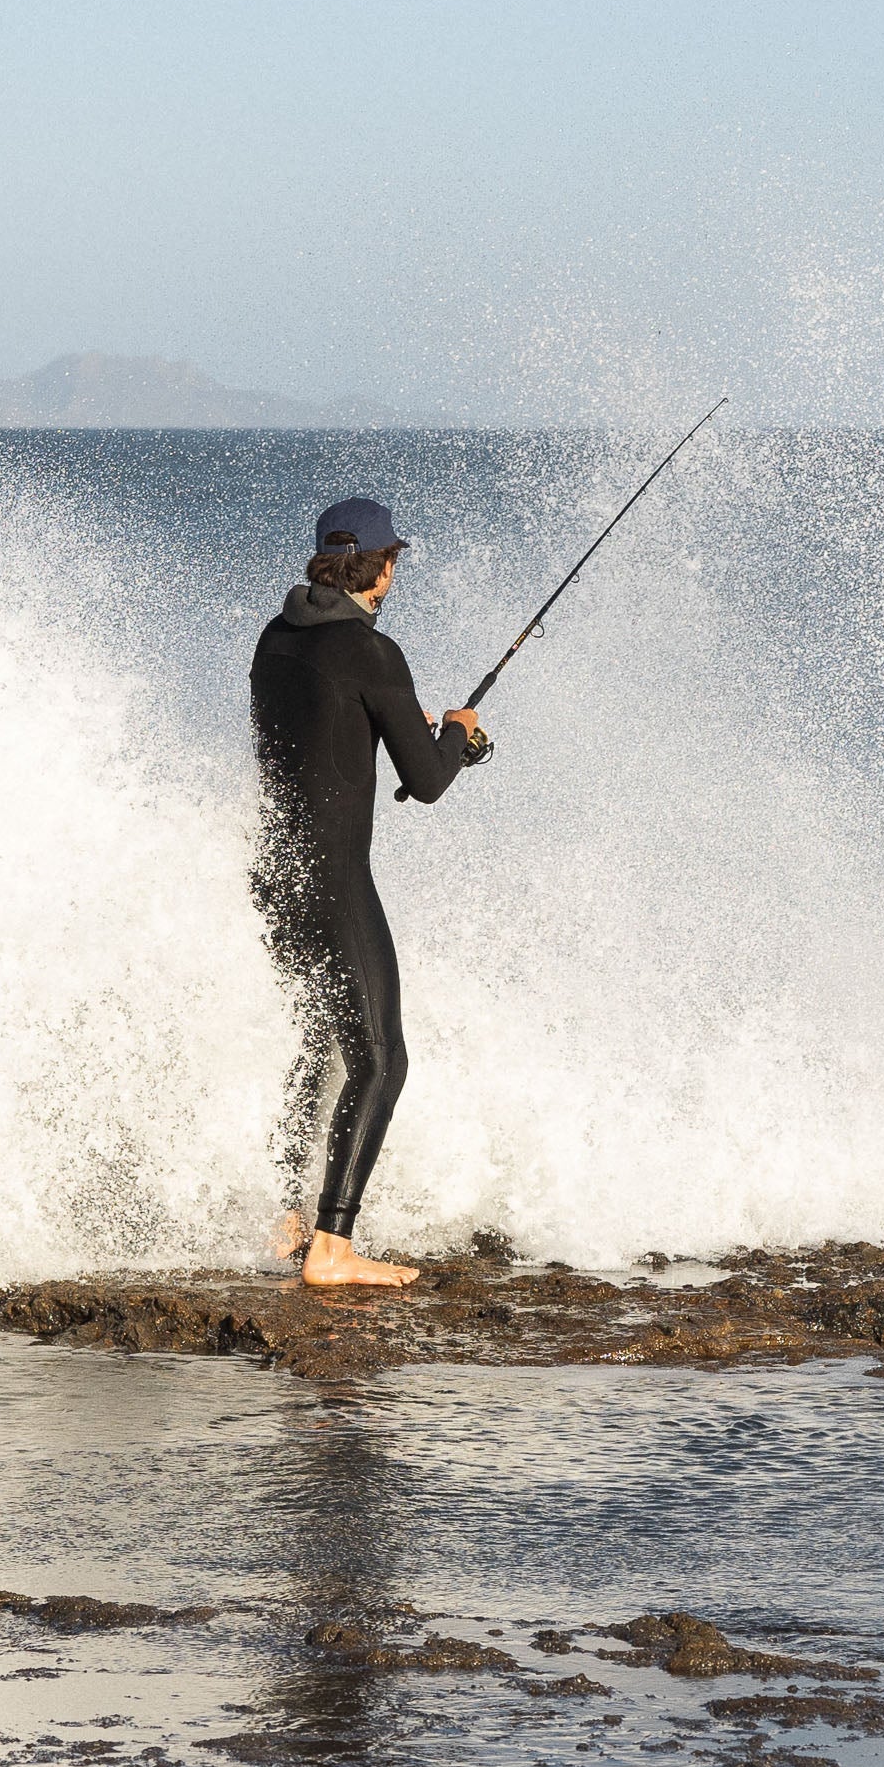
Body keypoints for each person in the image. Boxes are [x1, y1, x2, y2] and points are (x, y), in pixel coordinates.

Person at [249, 496, 487, 1288]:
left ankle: (290, 1216)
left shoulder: (275, 639)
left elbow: (320, 720)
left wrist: (395, 716)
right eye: (393, 560)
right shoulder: (371, 653)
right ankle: (332, 1249)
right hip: (334, 877)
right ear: (381, 567)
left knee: (320, 1047)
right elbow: (424, 782)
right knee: (381, 1061)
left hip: (276, 875)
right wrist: (456, 732)